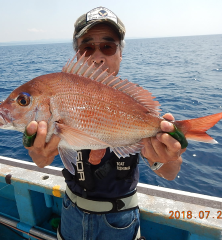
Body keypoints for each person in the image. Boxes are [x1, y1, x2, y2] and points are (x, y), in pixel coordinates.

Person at [25, 6, 186, 240]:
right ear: (77, 54)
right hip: (71, 212)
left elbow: (170, 173)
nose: (98, 56)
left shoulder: (133, 104)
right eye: (87, 47)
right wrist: (38, 152)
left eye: (108, 46)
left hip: (120, 219)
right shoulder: (58, 98)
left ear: (120, 53)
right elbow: (41, 161)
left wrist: (168, 156)